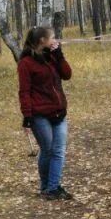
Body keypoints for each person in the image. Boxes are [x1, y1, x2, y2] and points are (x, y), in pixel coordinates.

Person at [18, 26, 74, 201]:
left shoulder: (52, 57)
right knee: (48, 150)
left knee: (58, 150)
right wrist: (27, 115)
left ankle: (52, 187)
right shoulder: (26, 63)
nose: (55, 39)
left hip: (59, 113)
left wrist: (60, 56)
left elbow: (67, 75)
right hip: (39, 115)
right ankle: (47, 186)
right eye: (52, 37)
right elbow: (24, 91)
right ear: (42, 40)